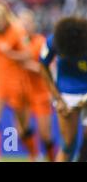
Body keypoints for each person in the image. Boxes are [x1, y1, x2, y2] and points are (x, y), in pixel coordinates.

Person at [0, 2, 39, 161]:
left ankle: (34, 155)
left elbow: (27, 55)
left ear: (5, 18)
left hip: (16, 81)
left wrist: (10, 54)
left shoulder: (17, 31)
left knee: (23, 128)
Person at [39, 16, 87, 162]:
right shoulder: (53, 41)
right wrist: (57, 98)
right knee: (68, 146)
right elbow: (43, 65)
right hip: (66, 95)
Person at [18, 9, 56, 161]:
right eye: (21, 23)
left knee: (45, 135)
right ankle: (34, 156)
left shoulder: (40, 42)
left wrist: (26, 64)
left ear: (33, 24)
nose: (24, 26)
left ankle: (52, 158)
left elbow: (46, 68)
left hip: (40, 92)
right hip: (21, 93)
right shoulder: (16, 42)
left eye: (27, 22)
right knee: (21, 132)